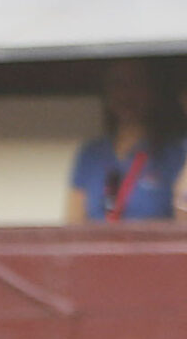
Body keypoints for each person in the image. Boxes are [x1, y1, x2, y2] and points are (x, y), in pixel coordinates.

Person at [65, 55, 186, 220]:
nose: (126, 94)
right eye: (118, 83)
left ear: (153, 91)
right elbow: (73, 222)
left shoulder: (176, 152)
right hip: (100, 237)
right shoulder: (91, 153)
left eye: (136, 83)